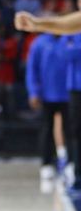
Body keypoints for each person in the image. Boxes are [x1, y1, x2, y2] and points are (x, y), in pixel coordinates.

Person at [26, 32, 70, 180]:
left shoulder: (71, 39)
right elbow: (32, 68)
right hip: (47, 95)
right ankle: (46, 164)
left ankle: (70, 163)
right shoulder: (39, 42)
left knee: (72, 131)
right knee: (46, 129)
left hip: (70, 93)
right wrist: (33, 92)